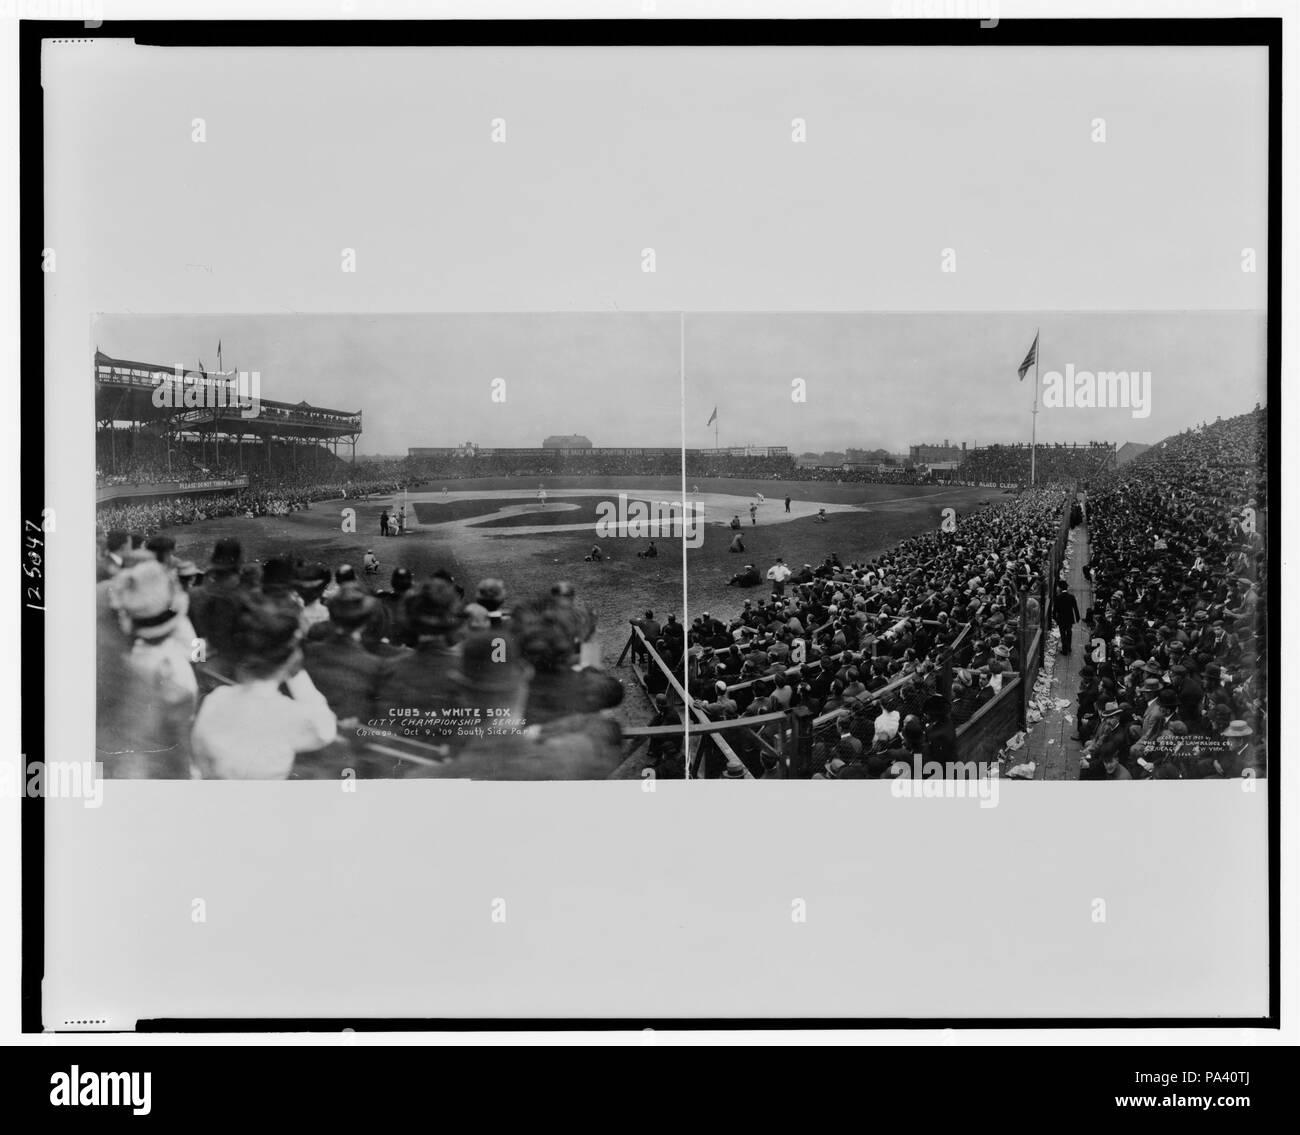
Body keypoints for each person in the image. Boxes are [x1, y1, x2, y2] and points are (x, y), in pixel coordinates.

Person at [191, 593, 338, 779]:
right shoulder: (293, 715)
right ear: (291, 659)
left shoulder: (216, 699)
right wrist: (297, 673)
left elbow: (200, 759)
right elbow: (325, 729)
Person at [1052, 579, 1080, 654]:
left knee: (1063, 633)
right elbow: (1075, 608)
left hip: (1061, 619)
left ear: (1060, 588)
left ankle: (1064, 649)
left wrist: (1054, 618)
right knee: (1069, 632)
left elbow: (1055, 610)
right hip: (1069, 618)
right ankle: (1069, 647)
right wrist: (1077, 618)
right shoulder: (1071, 597)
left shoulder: (1058, 598)